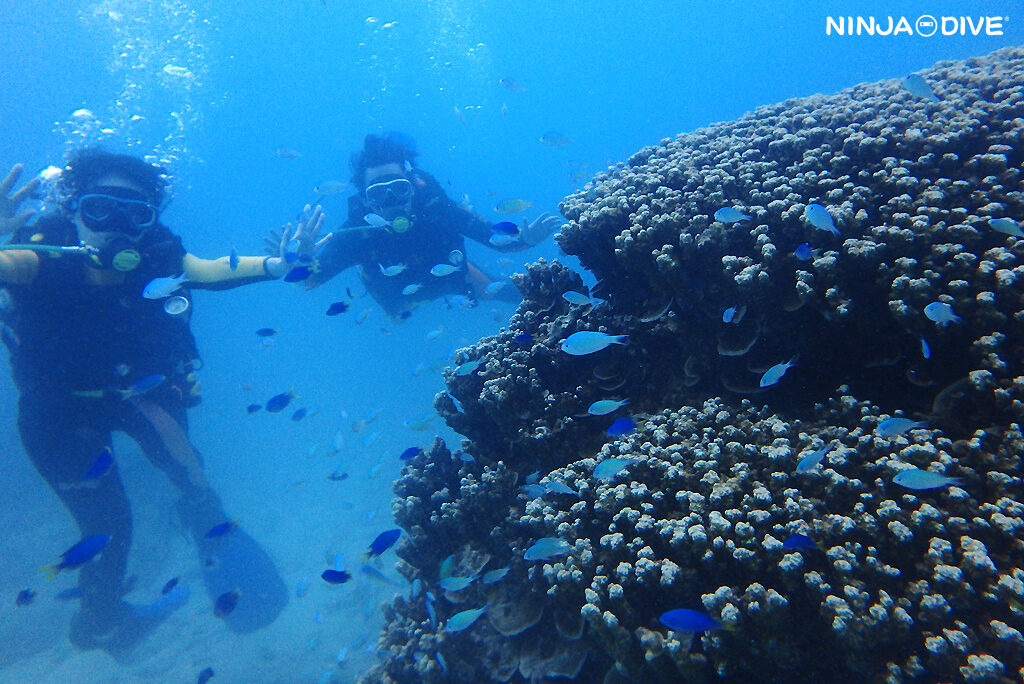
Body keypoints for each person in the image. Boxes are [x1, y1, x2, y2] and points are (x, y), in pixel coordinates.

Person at [0, 150, 322, 661]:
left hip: (143, 396)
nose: (119, 228)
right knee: (108, 527)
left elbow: (214, 270)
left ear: (151, 218)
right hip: (57, 413)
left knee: (193, 478)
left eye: (137, 213)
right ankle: (101, 625)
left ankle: (203, 521)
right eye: (101, 210)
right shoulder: (40, 257)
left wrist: (283, 263)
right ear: (75, 210)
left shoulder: (158, 257)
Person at [297, 132, 563, 318]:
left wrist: (526, 240)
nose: (391, 202)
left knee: (511, 293)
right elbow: (309, 280)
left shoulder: (439, 208)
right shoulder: (356, 233)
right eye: (377, 193)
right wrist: (302, 259)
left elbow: (494, 238)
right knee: (400, 322)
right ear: (366, 200)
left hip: (450, 277)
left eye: (399, 188)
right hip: (399, 301)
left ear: (412, 186)